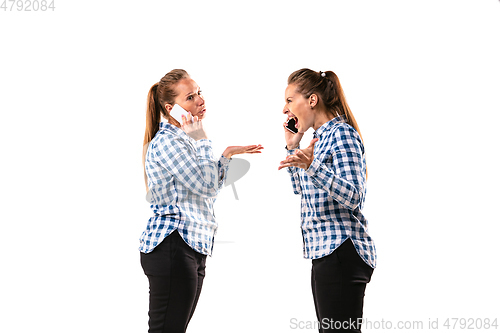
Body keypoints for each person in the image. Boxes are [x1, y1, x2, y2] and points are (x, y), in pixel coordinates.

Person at [140, 69, 263, 333]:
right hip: (173, 245)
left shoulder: (185, 140)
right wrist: (203, 140)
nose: (200, 101)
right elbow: (206, 187)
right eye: (190, 98)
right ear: (170, 108)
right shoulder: (168, 142)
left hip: (192, 247)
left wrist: (226, 156)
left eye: (199, 93)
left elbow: (206, 190)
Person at [278, 68, 376, 332]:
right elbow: (301, 189)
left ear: (312, 100)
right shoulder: (317, 140)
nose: (285, 109)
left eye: (289, 100)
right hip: (325, 251)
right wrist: (292, 147)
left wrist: (312, 166)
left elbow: (355, 196)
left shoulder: (342, 134)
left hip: (342, 250)